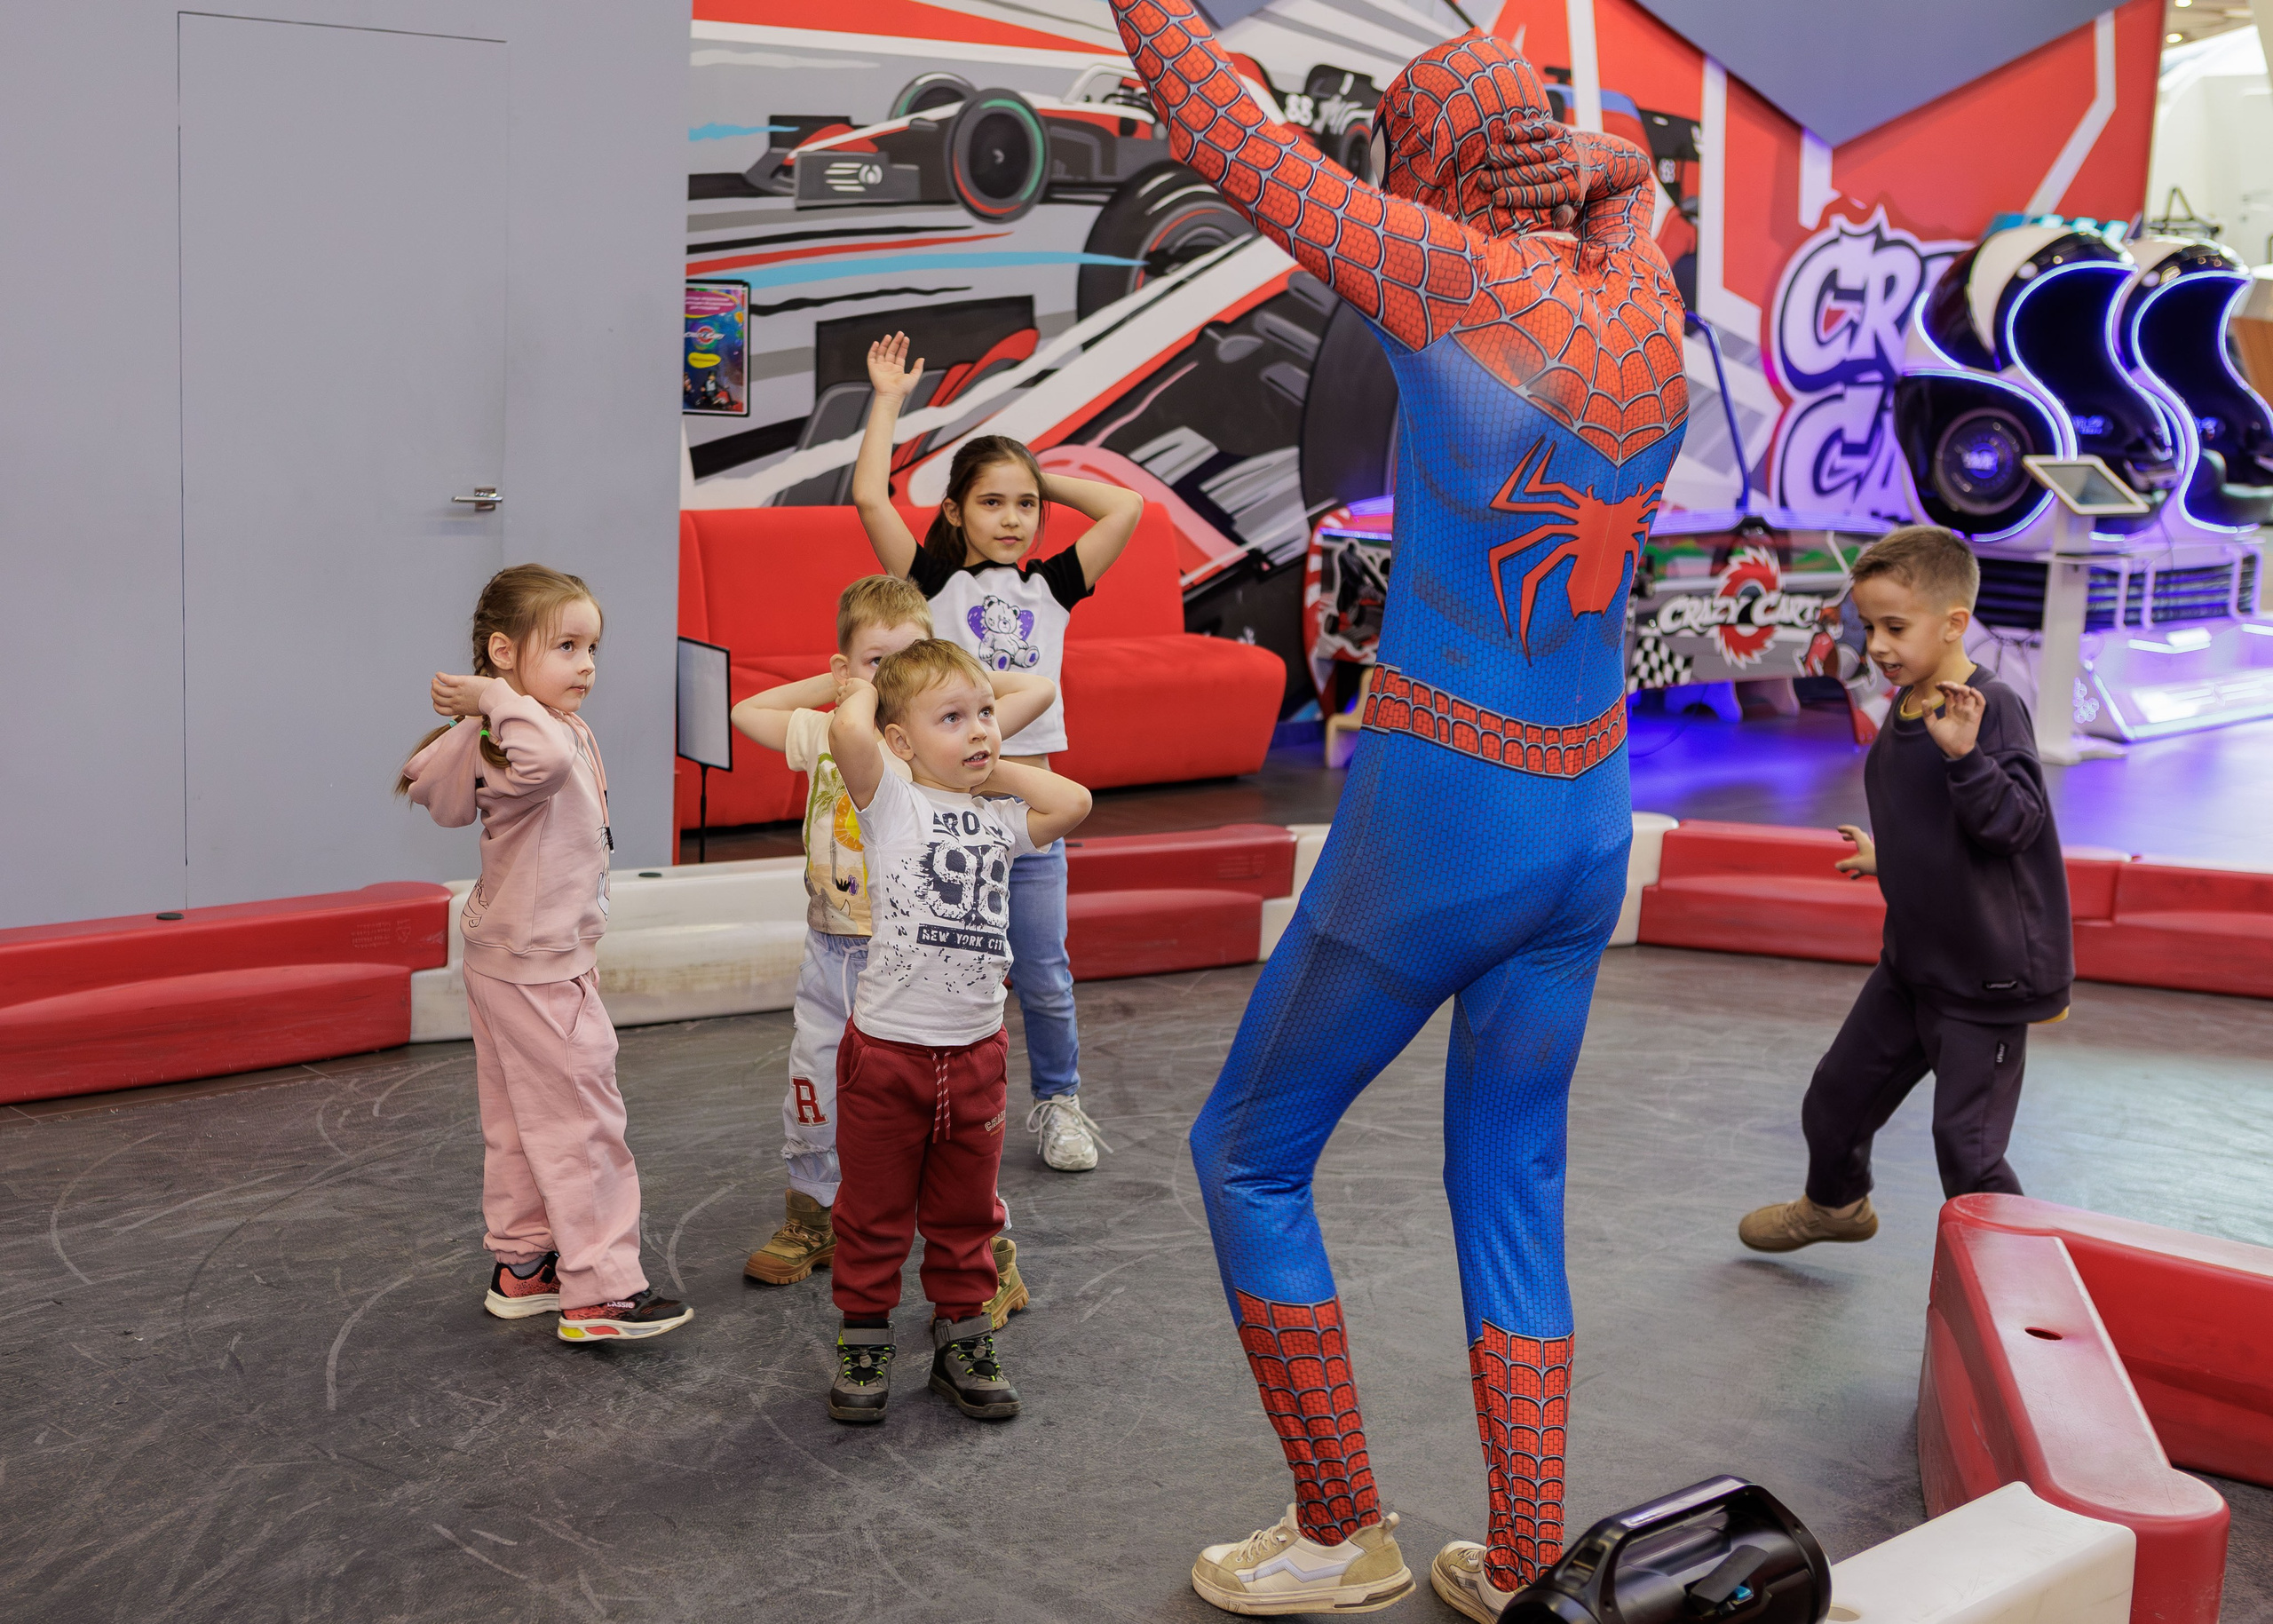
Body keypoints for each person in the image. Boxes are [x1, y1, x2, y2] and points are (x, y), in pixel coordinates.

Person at [1104, 2, 1690, 1617]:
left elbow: (1224, 131)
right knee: (1514, 1189)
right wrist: (1568, 161)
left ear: (1424, 161)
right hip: (1588, 818)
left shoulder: (1439, 272)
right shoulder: (1641, 281)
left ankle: (1339, 1523)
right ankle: (1524, 1560)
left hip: (1445, 811)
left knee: (1247, 1153)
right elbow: (1629, 175)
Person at [851, 334, 1143, 1174]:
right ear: (954, 511)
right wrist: (888, 400)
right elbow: (869, 496)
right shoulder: (932, 584)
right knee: (935, 965)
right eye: (991, 502)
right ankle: (924, 1105)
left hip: (1027, 807)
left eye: (1025, 505)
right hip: (944, 814)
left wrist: (1037, 472)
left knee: (1044, 971)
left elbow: (1124, 508)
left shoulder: (1053, 585)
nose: (1013, 519)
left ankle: (1059, 1102)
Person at [731, 574, 1050, 1334]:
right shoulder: (830, 731)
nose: (892, 677)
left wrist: (936, 676)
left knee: (945, 1118)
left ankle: (990, 1252)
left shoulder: (934, 747)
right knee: (813, 1090)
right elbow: (748, 712)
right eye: (880, 662)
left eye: (913, 659)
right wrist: (849, 684)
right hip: (830, 949)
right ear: (848, 670)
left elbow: (1036, 689)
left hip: (911, 966)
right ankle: (815, 1213)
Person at [1740, 526, 2071, 1253]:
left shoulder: (1989, 708)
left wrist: (1967, 758)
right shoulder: (1910, 698)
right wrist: (1888, 858)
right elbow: (1936, 825)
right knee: (1834, 1099)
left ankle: (2023, 1274)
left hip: (1985, 979)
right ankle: (1835, 1206)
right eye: (1869, 627)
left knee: (1968, 1150)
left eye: (1896, 626)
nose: (1879, 645)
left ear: (1954, 622)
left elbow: (2015, 824)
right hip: (1914, 962)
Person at [399, 564, 693, 1343]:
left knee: (520, 1121)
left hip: (515, 957)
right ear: (504, 652)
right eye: (566, 646)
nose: (586, 664)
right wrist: (494, 699)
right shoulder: (516, 733)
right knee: (582, 1124)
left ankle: (526, 1262)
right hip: (538, 969)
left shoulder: (535, 725)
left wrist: (498, 702)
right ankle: (602, 1290)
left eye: (592, 647)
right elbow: (547, 766)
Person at [820, 639, 1091, 1424]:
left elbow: (1072, 801)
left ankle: (963, 1333)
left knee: (967, 1212)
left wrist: (993, 764)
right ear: (900, 740)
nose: (978, 729)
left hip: (975, 1054)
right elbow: (848, 732)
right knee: (872, 1212)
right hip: (889, 1054)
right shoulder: (891, 800)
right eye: (952, 718)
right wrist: (872, 683)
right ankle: (865, 1334)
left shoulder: (999, 818)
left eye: (985, 714)